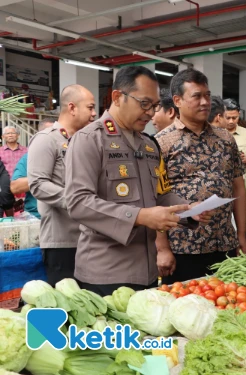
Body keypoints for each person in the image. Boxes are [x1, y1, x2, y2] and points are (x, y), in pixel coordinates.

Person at [64, 66, 210, 296]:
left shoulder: (149, 145)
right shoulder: (89, 140)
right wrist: (141, 216)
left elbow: (160, 194)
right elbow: (78, 203)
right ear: (117, 97)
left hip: (148, 272)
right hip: (106, 274)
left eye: (154, 106)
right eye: (144, 104)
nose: (151, 113)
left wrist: (187, 210)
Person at [155, 68, 246, 283]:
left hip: (224, 243)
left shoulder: (225, 139)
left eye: (207, 95)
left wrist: (241, 234)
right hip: (182, 248)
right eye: (196, 96)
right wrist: (162, 248)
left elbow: (238, 187)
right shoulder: (161, 142)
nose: (205, 102)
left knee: (227, 305)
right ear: (177, 100)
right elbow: (155, 196)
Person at [27, 86, 97, 286]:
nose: (94, 114)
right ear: (72, 107)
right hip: (63, 241)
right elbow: (38, 184)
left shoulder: (86, 142)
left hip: (89, 238)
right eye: (90, 107)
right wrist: (79, 201)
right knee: (67, 304)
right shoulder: (47, 140)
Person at [10, 118, 54, 218]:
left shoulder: (68, 153)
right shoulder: (29, 156)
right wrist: (47, 175)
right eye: (50, 133)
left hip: (64, 215)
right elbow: (15, 187)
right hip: (37, 215)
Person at [223, 98, 246, 172]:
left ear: (239, 115)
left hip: (244, 180)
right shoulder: (214, 134)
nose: (231, 121)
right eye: (228, 118)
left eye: (234, 118)